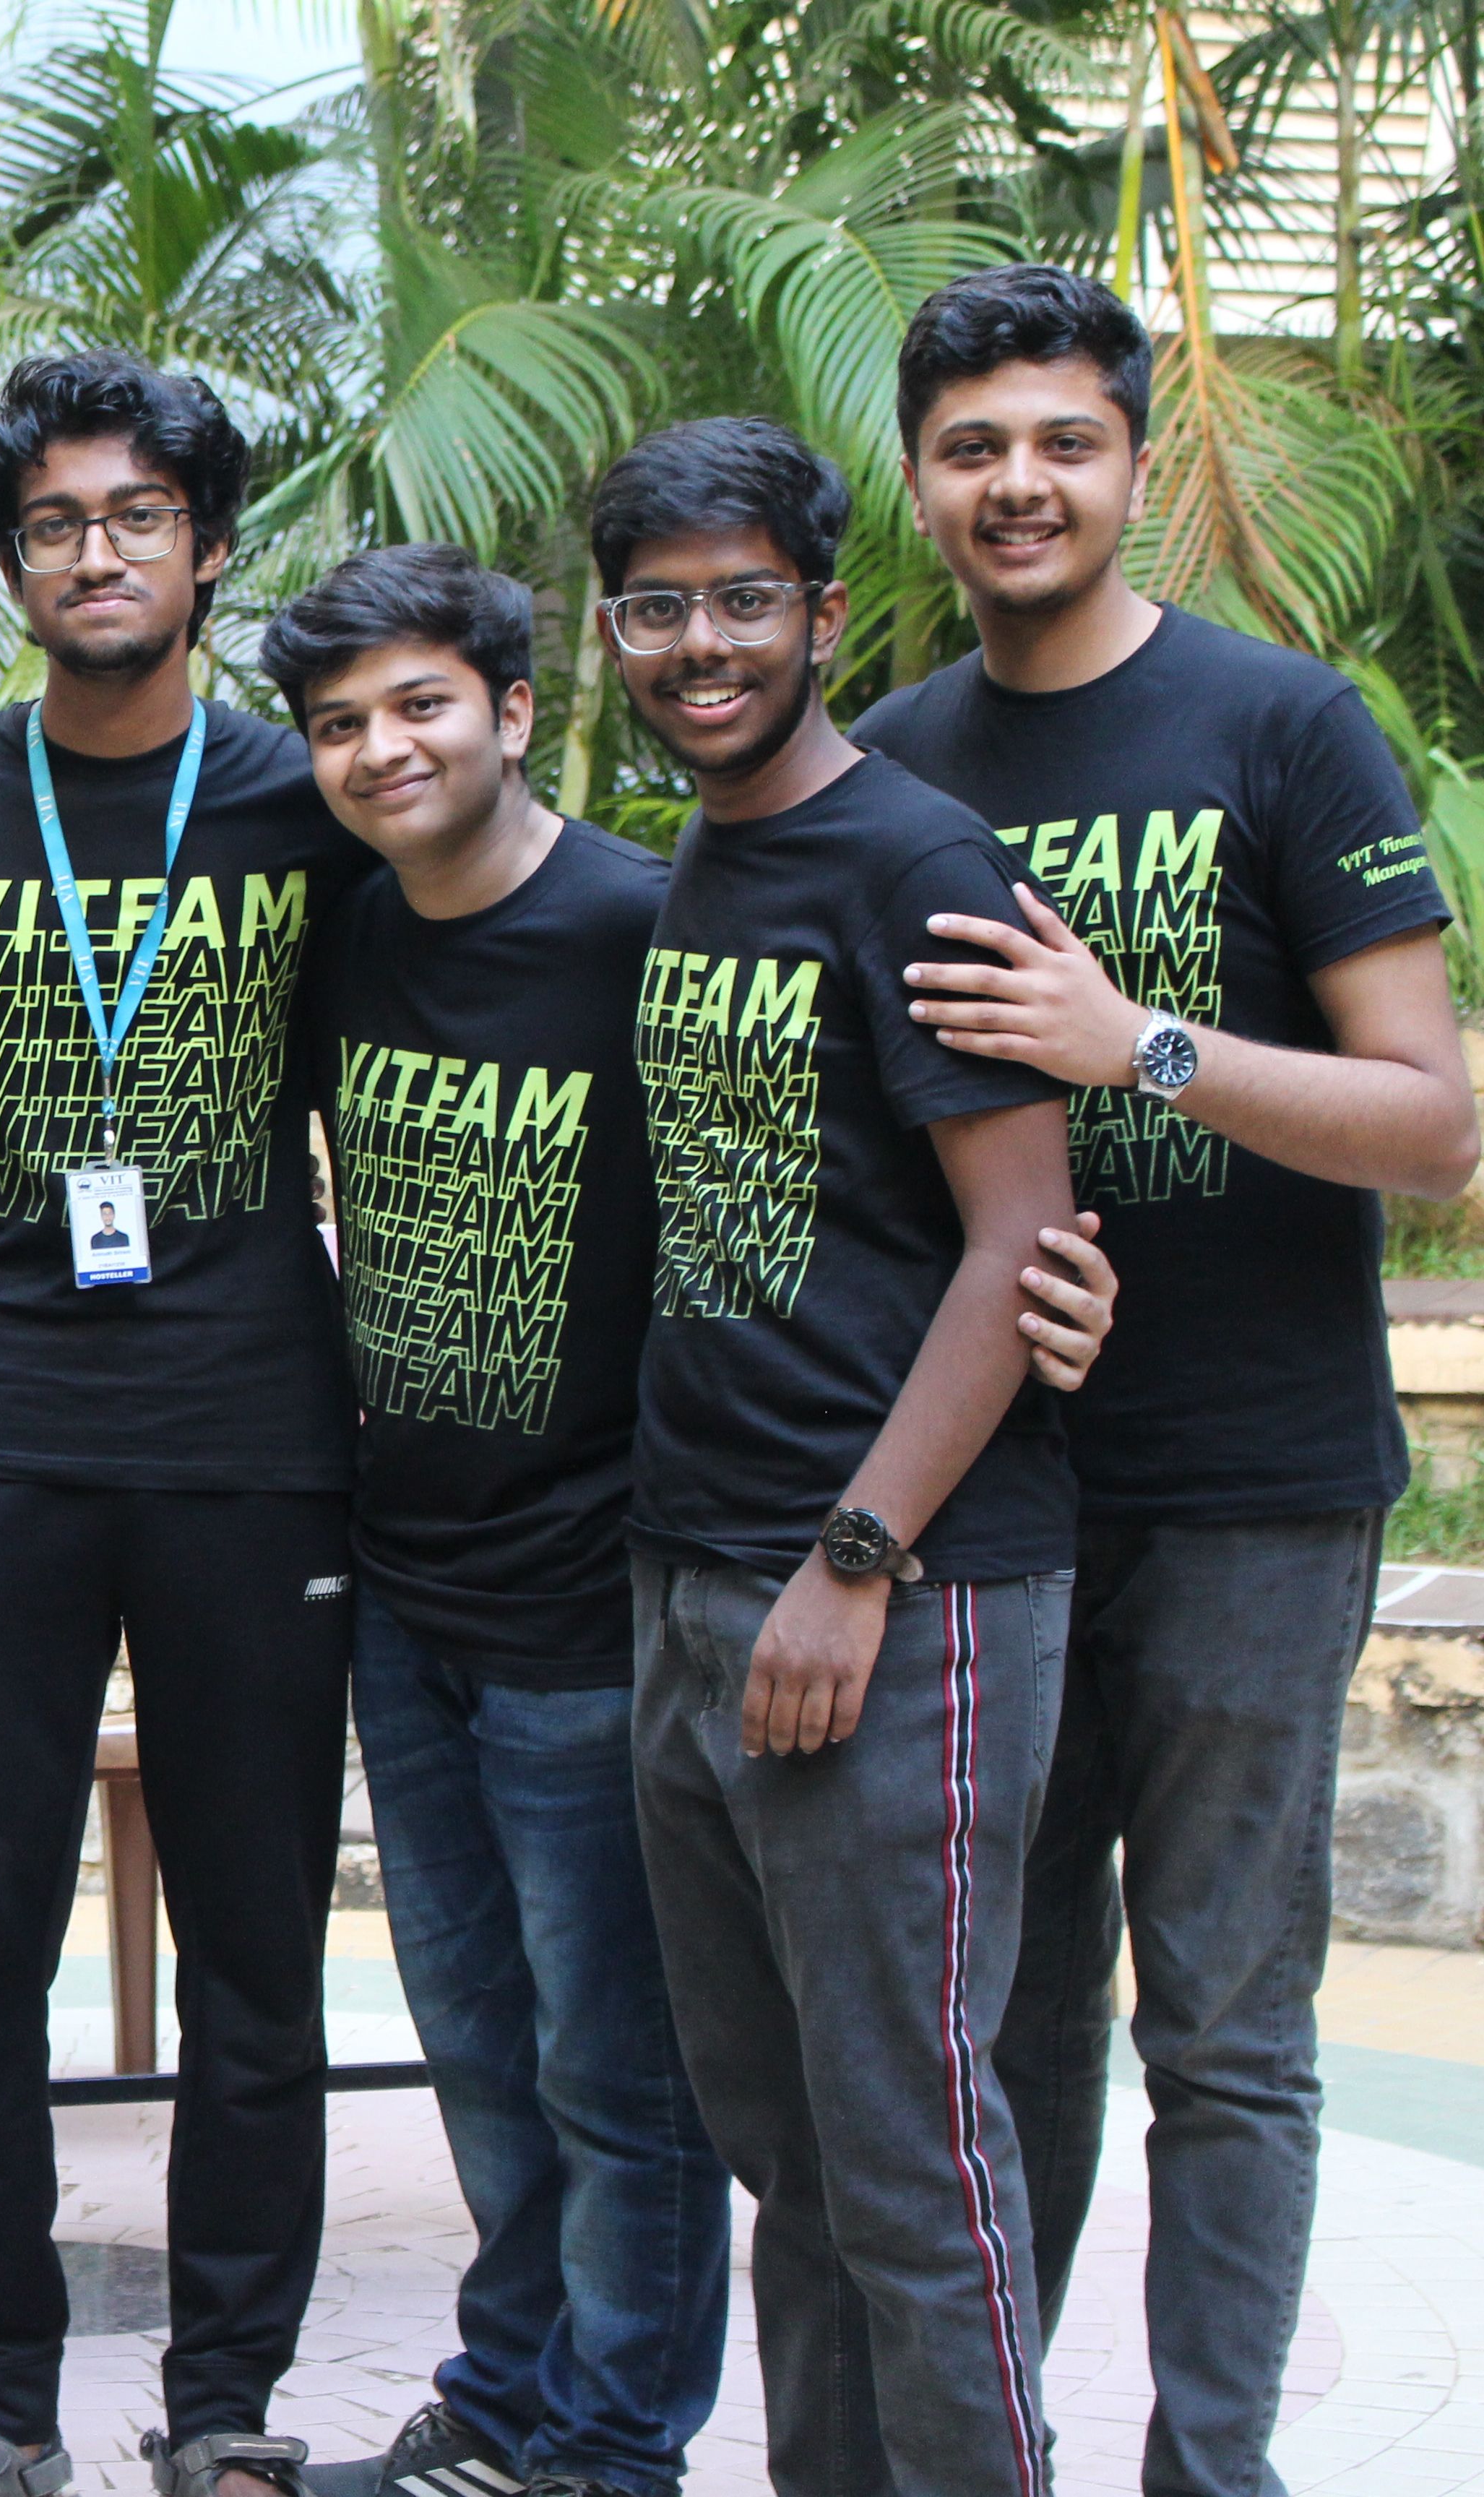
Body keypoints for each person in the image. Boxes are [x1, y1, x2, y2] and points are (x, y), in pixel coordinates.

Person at [263, 544, 1120, 2497]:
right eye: (339, 723)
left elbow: (881, 1194)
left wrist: (1060, 1285)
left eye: (420, 704)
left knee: (640, 2068)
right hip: (415, 1575)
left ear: (512, 704)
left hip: (614, 1575)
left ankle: (608, 2437)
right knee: (486, 2041)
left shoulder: (647, 921)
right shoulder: (351, 931)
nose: (382, 750)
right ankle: (514, 2399)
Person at [857, 263, 1477, 2497]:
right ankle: (997, 2455)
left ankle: (1215, 2471)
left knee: (1221, 2022)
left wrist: (1144, 1050)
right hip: (992, 1495)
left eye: (1064, 441)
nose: (1018, 483)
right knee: (1003, 2026)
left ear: (1132, 466)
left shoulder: (1284, 730)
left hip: (1250, 1489)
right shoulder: (890, 763)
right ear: (920, 481)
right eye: (974, 448)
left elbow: (1434, 1123)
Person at [0, 348, 370, 2497]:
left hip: (254, 1426)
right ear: (9, 560)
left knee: (258, 1942)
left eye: (136, 517)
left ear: (210, 547)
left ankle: (227, 2400)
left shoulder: (304, 796)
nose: (94, 553)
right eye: (54, 522)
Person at [599, 418, 1078, 2497]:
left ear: (817, 608)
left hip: (899, 1595)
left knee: (905, 2148)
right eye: (657, 607)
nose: (699, 645)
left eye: (741, 600)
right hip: (695, 1574)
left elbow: (1018, 1245)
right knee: (783, 2145)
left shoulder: (914, 862)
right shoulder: (706, 859)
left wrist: (855, 1556)